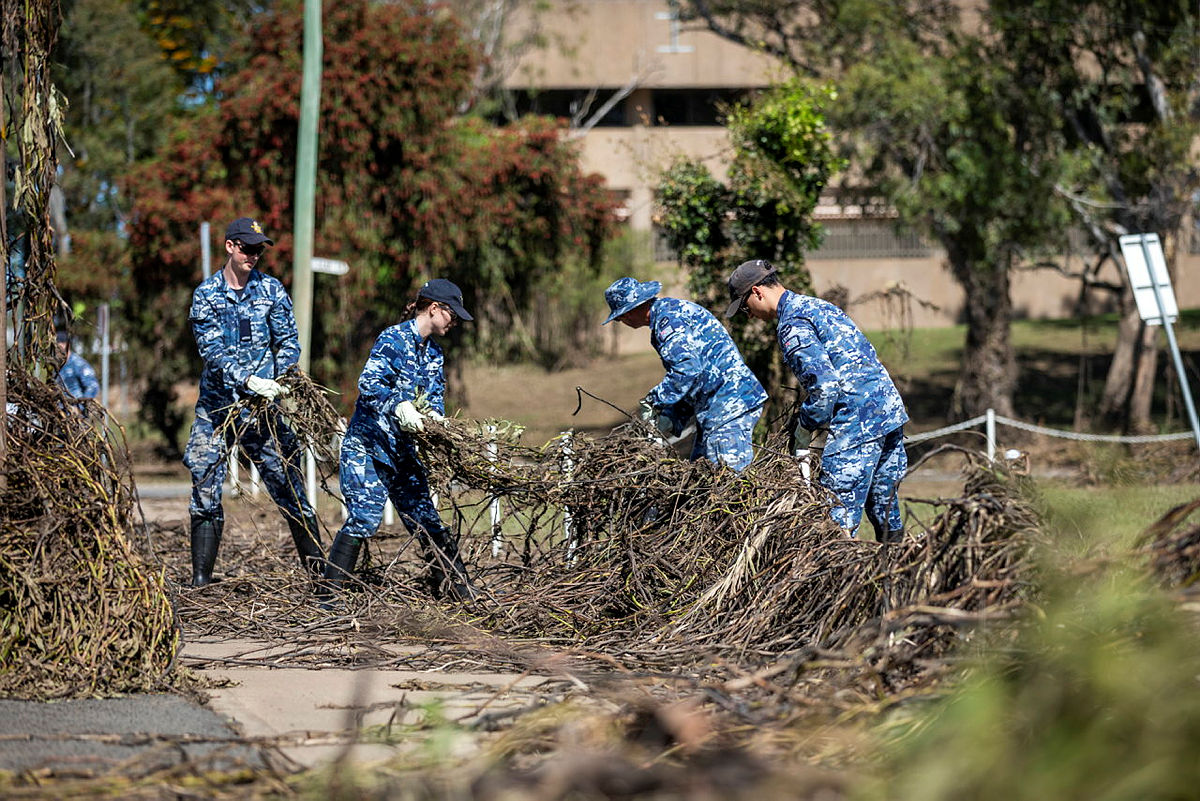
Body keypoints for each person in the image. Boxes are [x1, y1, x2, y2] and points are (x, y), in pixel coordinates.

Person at [182, 217, 324, 586]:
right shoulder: (207, 295)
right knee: (204, 481)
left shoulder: (272, 291)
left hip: (263, 411)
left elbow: (289, 341)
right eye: (247, 248)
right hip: (217, 408)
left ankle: (321, 578)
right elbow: (210, 350)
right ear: (229, 246)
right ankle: (201, 580)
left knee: (289, 486)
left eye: (259, 249)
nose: (253, 255)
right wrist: (246, 379)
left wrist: (277, 377)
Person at [724, 259, 909, 541]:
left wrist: (805, 424)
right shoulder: (817, 306)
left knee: (837, 518)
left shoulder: (792, 325)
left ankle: (841, 583)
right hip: (888, 413)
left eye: (745, 307)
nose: (749, 315)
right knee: (885, 509)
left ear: (758, 291)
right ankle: (900, 576)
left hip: (857, 424)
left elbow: (825, 387)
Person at [319, 278, 478, 605]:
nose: (456, 322)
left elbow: (434, 400)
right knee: (365, 517)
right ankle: (329, 598)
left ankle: (461, 593)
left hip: (403, 453)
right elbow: (369, 383)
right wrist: (399, 405)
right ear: (434, 308)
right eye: (453, 315)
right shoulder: (393, 339)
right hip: (368, 447)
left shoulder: (433, 353)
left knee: (427, 520)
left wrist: (437, 422)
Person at [602, 277, 766, 471]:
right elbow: (691, 379)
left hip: (728, 404)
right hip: (716, 406)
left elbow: (687, 369)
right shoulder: (668, 314)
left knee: (726, 479)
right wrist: (672, 417)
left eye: (620, 316)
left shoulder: (668, 320)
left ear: (629, 312)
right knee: (699, 473)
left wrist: (655, 400)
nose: (622, 321)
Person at [56, 330, 100, 402]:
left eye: (61, 345)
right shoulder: (54, 365)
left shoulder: (78, 364)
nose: (58, 349)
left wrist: (80, 406)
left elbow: (93, 386)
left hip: (75, 409)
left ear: (67, 345)